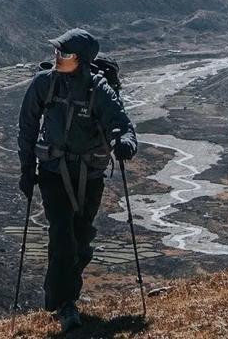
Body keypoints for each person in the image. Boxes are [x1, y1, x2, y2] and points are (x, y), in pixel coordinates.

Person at [17, 27, 138, 332]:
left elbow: (123, 124)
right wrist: (25, 170)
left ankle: (58, 295)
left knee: (81, 238)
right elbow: (27, 126)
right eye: (57, 52)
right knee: (62, 235)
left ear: (81, 60)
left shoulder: (99, 89)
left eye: (65, 54)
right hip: (53, 172)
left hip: (89, 175)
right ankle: (64, 305)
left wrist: (126, 143)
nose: (57, 58)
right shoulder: (45, 83)